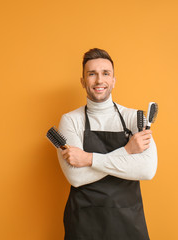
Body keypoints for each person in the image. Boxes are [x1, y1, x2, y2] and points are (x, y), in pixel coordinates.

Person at [57, 48, 157, 240]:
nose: (99, 80)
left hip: (128, 218)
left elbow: (147, 169)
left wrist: (87, 159)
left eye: (105, 73)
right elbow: (76, 177)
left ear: (113, 80)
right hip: (84, 220)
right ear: (83, 81)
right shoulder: (70, 121)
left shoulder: (133, 117)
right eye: (91, 74)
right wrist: (127, 151)